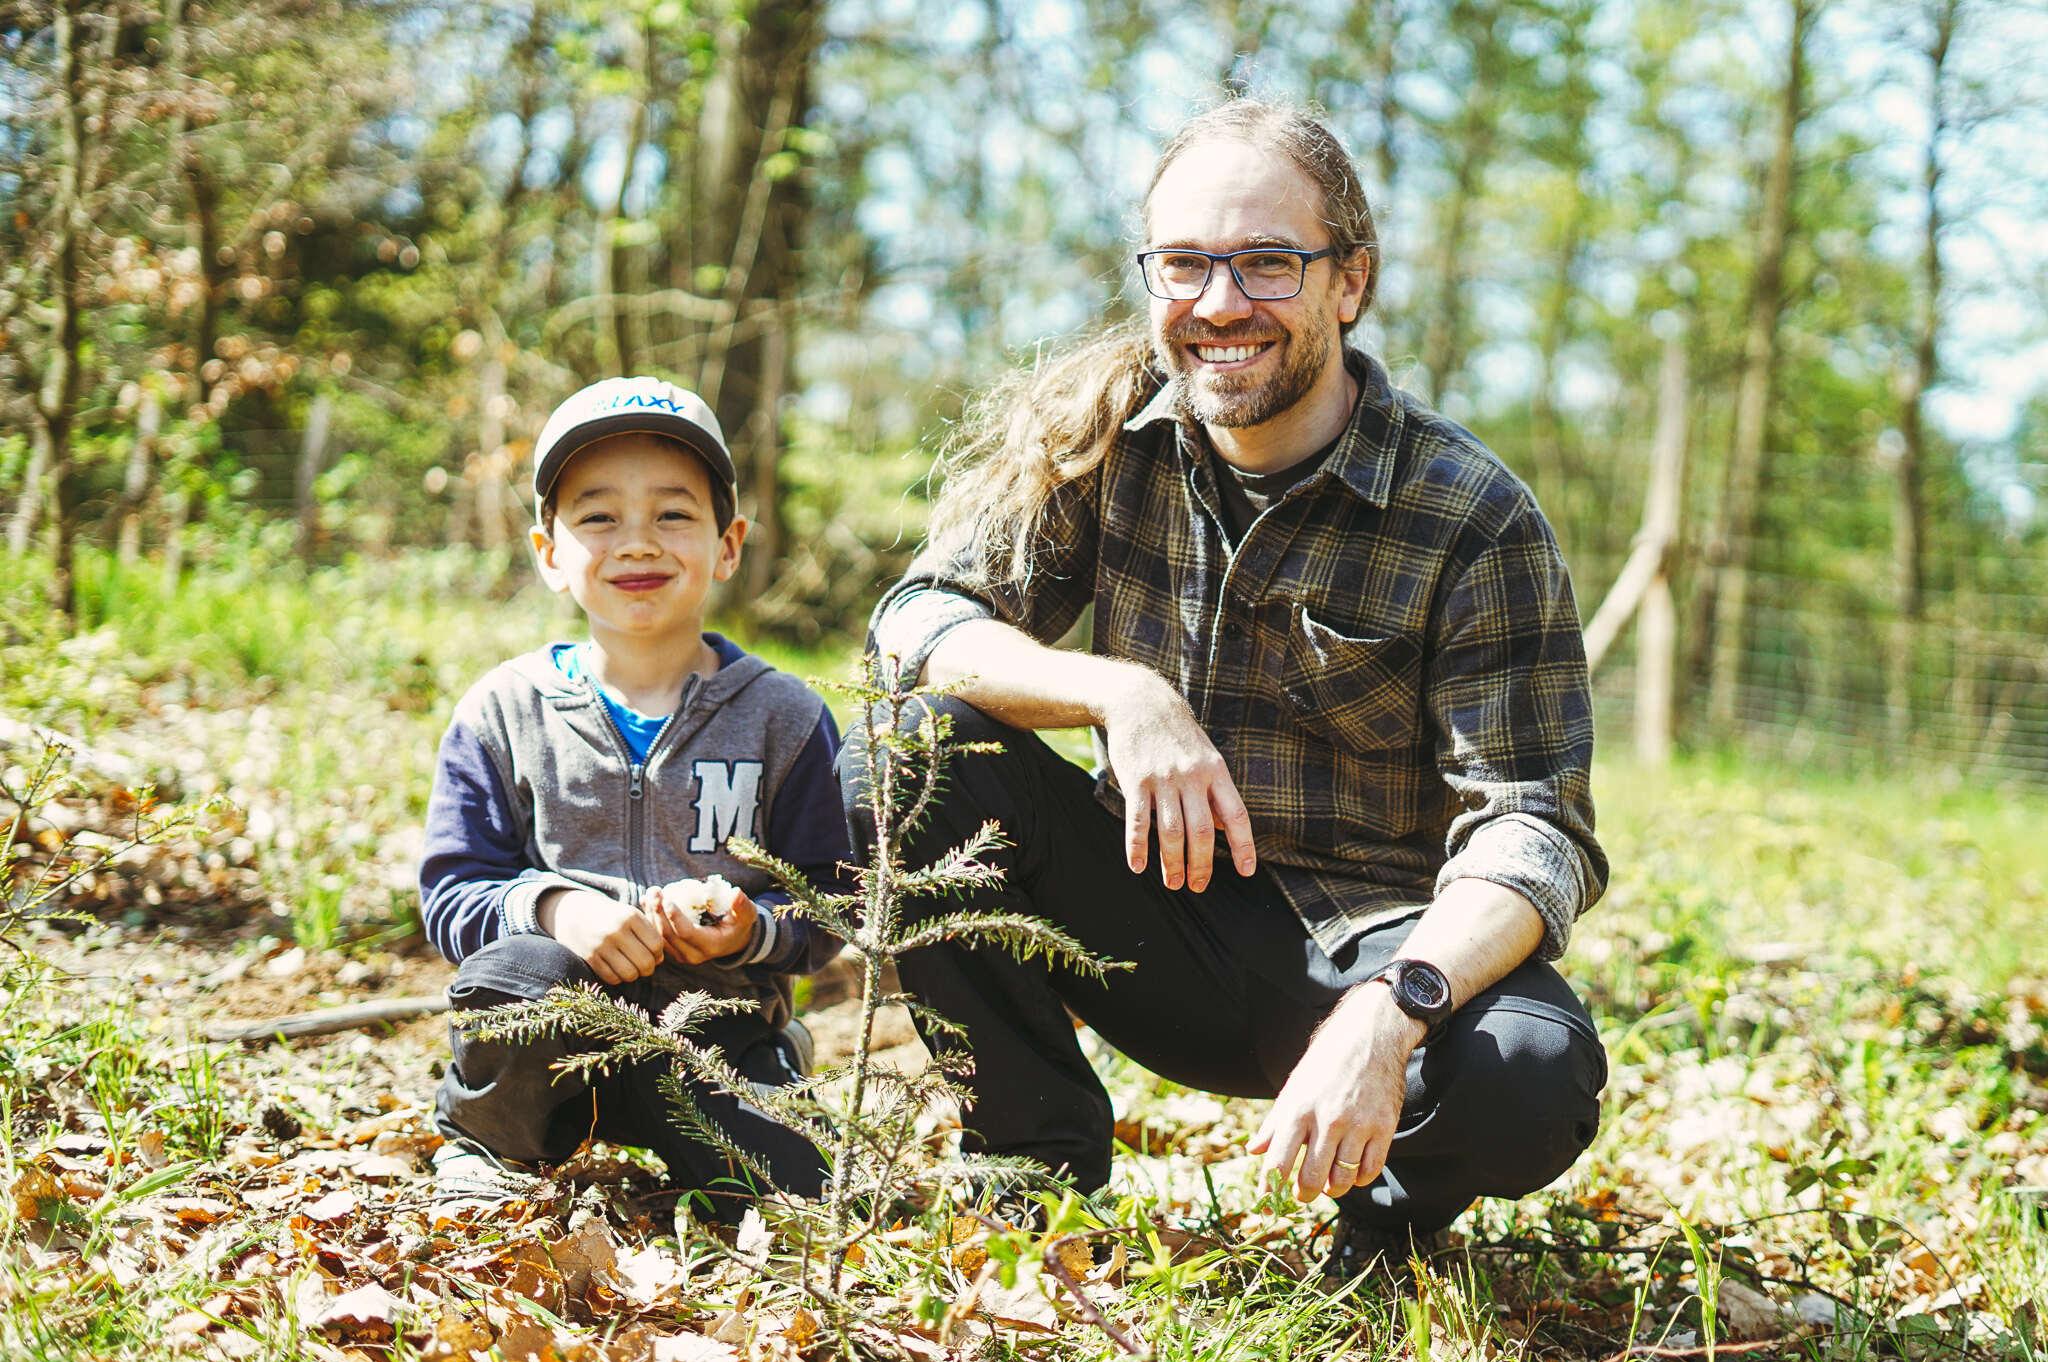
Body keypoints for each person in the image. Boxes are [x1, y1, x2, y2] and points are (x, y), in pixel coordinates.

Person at [853, 99, 1608, 1280]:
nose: (1217, 303)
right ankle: (1030, 1172)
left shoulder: (1472, 515)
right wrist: (1117, 692)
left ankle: (1385, 1232)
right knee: (909, 748)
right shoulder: (1101, 442)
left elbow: (1533, 826)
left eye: (1266, 263)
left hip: (1363, 959)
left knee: (1530, 1068)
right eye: (1184, 263)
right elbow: (915, 626)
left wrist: (1394, 1007)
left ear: (1346, 284)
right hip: (1137, 915)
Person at [419, 377, 851, 1218]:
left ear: (728, 545)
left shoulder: (786, 718)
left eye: (673, 515)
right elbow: (450, 891)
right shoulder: (503, 712)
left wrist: (751, 926)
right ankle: (493, 1142)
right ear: (550, 552)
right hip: (555, 1021)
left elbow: (831, 896)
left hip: (714, 1030)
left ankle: (770, 1066)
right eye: (599, 516)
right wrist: (553, 908)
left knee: (796, 1192)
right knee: (518, 975)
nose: (637, 543)